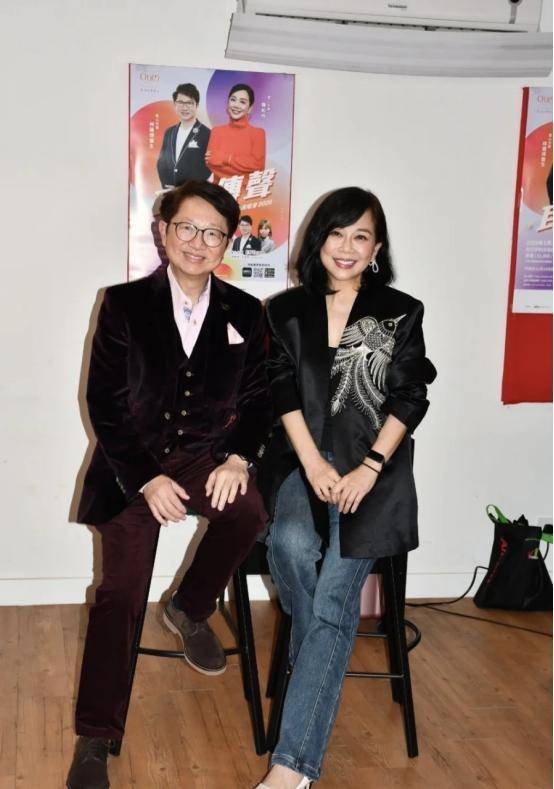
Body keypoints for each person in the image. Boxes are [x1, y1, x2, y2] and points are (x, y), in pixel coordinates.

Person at [66, 180, 272, 789]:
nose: (198, 242)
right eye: (187, 227)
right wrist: (146, 478)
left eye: (213, 233)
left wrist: (239, 459)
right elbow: (104, 403)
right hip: (132, 465)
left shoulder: (247, 312)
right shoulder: (123, 304)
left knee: (249, 511)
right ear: (163, 231)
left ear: (227, 243)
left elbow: (259, 398)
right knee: (121, 594)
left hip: (206, 458)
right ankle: (96, 736)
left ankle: (188, 608)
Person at [255, 187, 436, 788]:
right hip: (299, 462)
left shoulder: (400, 312)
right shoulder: (286, 310)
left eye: (362, 236)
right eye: (337, 233)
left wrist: (370, 467)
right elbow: (280, 389)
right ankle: (319, 656)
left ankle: (292, 769)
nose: (347, 246)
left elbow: (411, 396)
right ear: (319, 240)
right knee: (288, 544)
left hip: (372, 472)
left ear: (377, 249)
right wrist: (312, 464)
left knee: (335, 599)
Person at [206, 83, 266, 183]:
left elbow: (258, 167)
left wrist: (226, 158)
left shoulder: (258, 134)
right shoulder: (216, 131)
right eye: (233, 100)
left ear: (250, 108)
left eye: (242, 102)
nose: (236, 105)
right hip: (218, 191)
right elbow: (211, 162)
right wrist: (245, 171)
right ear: (228, 103)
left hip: (245, 191)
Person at [156, 83, 211, 187]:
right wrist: (168, 186)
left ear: (196, 105)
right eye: (180, 102)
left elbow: (209, 167)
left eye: (189, 103)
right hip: (170, 191)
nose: (185, 107)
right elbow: (161, 163)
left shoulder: (207, 133)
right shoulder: (169, 132)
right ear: (175, 104)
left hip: (194, 191)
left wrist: (188, 188)